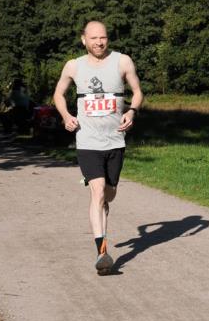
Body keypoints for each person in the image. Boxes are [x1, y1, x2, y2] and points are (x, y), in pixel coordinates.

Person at [53, 21, 143, 275]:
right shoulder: (74, 65)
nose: (99, 42)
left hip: (115, 140)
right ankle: (102, 253)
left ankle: (103, 200)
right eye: (93, 38)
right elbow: (58, 94)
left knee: (109, 195)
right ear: (84, 39)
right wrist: (66, 115)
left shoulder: (122, 61)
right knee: (98, 192)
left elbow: (137, 92)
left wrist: (132, 111)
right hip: (88, 141)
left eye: (103, 37)